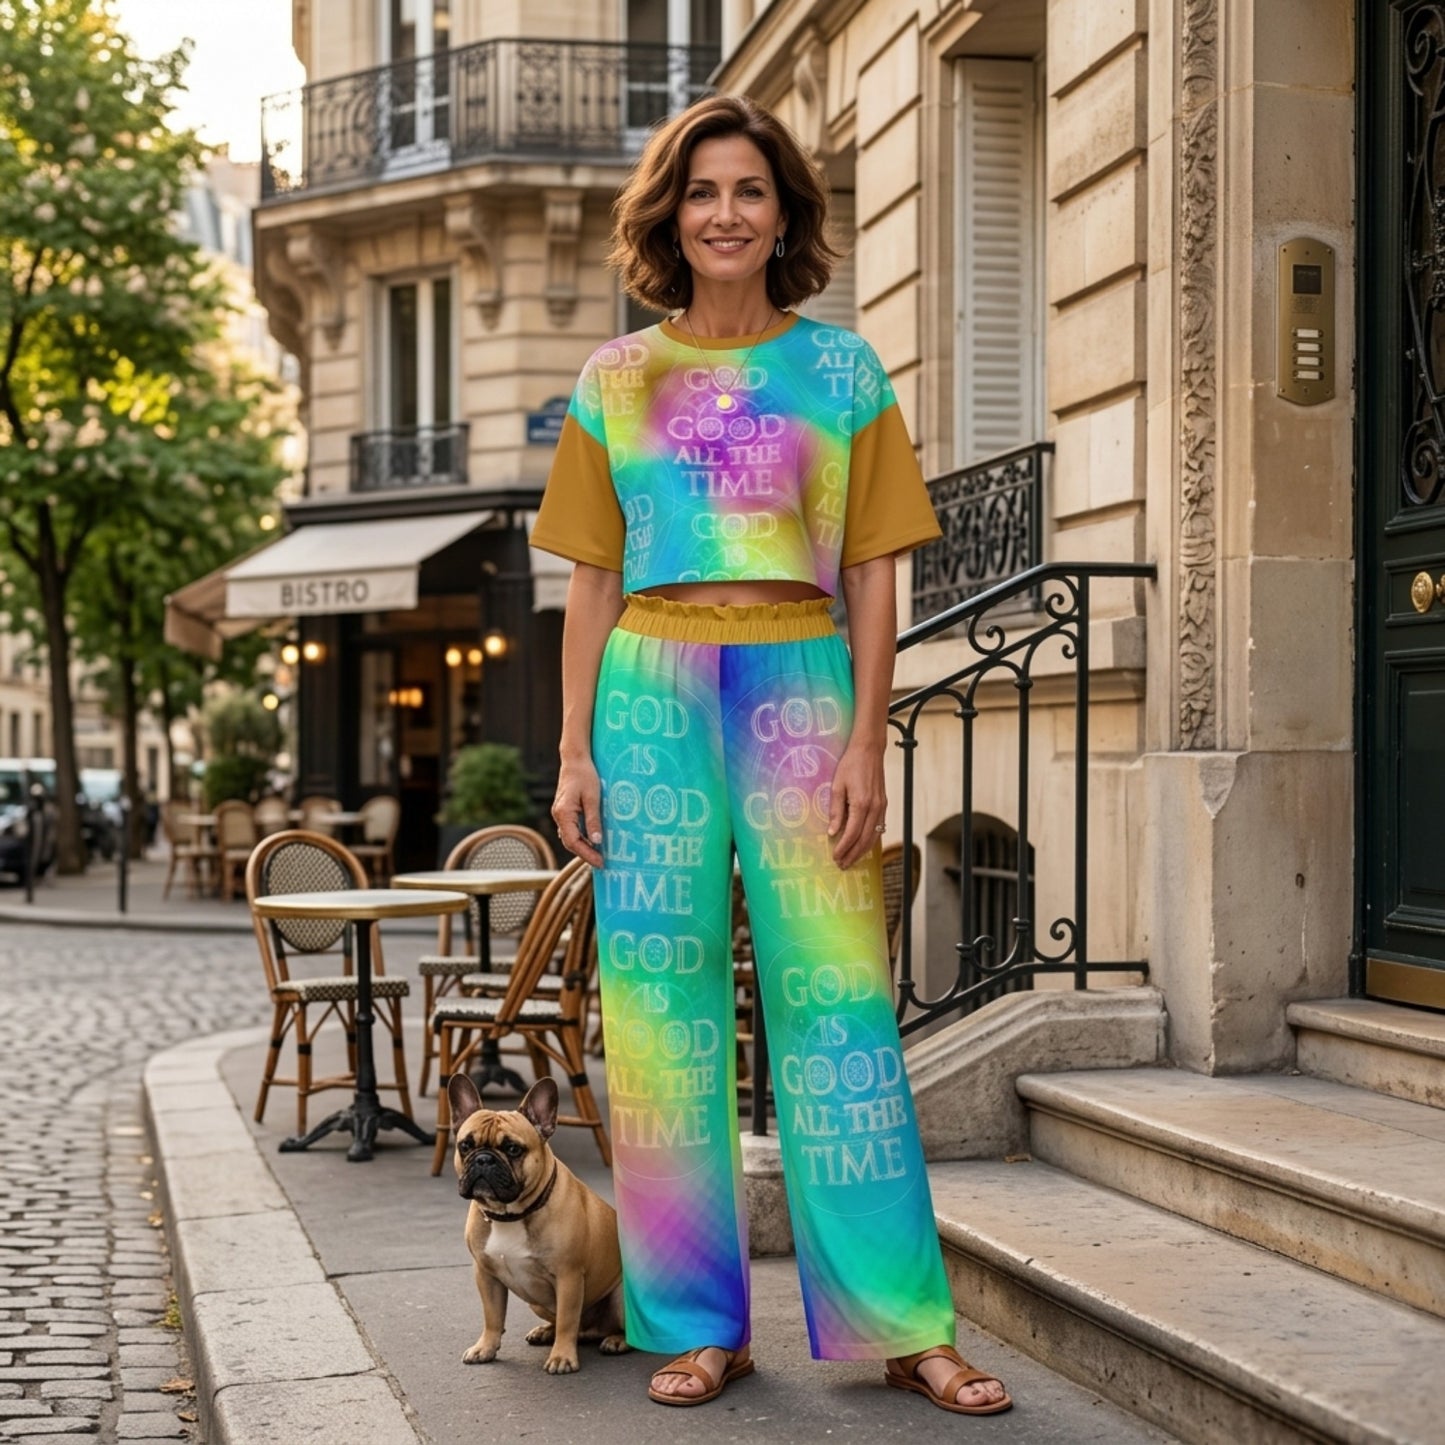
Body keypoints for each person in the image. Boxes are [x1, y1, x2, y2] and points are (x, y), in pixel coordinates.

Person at [531, 93, 1011, 1418]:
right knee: (659, 1020)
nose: (725, 213)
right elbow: (589, 578)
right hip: (648, 694)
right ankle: (698, 1323)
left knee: (841, 1011)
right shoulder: (614, 378)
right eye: (701, 192)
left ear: (785, 214)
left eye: (749, 190)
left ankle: (903, 1326)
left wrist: (866, 737)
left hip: (800, 683)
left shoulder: (842, 372)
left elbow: (874, 570)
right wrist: (572, 750)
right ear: (669, 217)